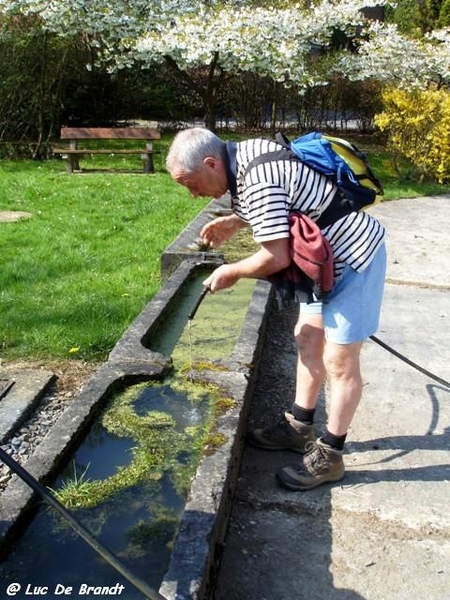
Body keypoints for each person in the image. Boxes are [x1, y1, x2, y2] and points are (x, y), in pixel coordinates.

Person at [166, 127, 386, 491]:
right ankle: (300, 426)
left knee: (340, 361)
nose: (192, 194)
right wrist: (237, 221)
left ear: (210, 163)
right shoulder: (244, 154)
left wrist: (232, 271)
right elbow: (288, 194)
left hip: (354, 259)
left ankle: (331, 454)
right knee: (306, 337)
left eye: (190, 183)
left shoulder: (256, 178)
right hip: (319, 262)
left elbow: (275, 255)